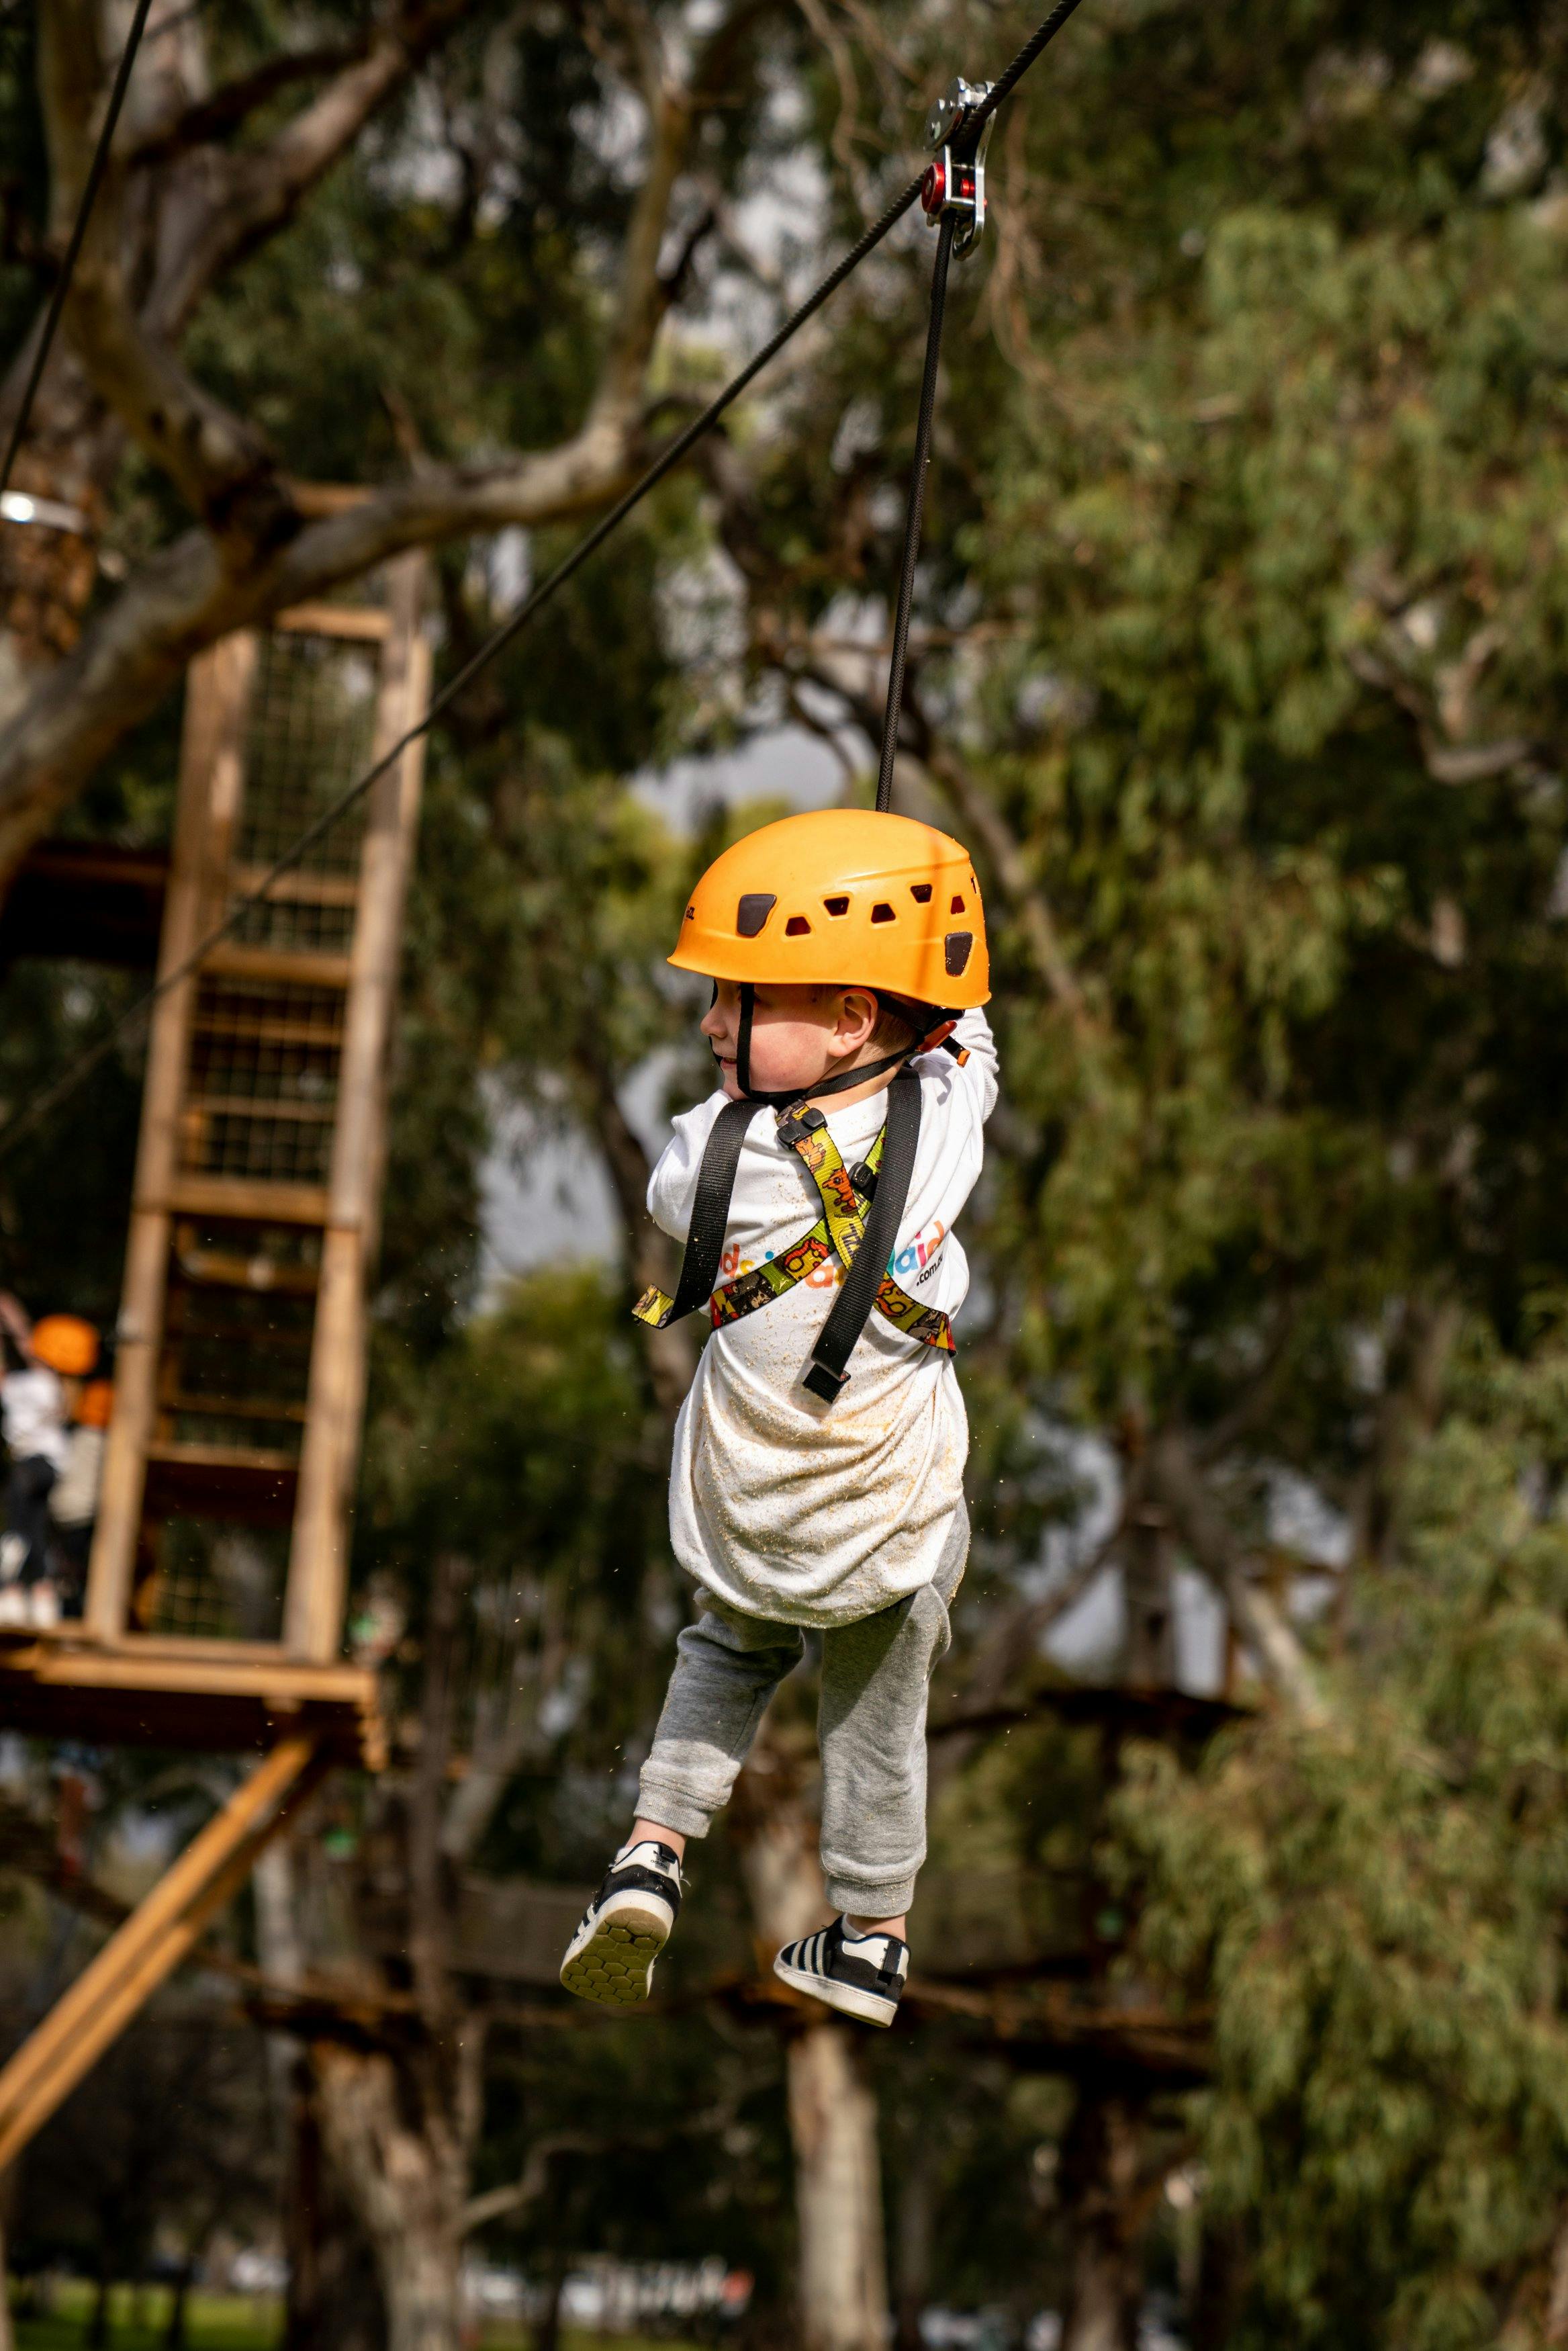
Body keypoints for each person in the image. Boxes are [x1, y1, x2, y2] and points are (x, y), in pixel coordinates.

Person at [559, 809, 997, 2028]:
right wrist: (934, 931)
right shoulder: (949, 1132)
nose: (712, 1026)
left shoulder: (708, 1154)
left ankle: (653, 1854)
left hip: (751, 1512)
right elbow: (971, 1044)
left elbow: (668, 1191)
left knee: (728, 1647)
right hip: (888, 1515)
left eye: (744, 1001)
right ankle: (872, 1935)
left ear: (853, 1016)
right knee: (883, 1685)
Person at [0, 1297, 99, 1628]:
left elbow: (10, 1370)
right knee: (36, 1530)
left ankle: (12, 1591)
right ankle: (41, 1595)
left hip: (33, 1466)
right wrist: (12, 1317)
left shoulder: (35, 1385)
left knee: (18, 1529)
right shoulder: (61, 1389)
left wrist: (12, 1326)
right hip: (51, 1469)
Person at [50, 1372, 112, 1618]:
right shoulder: (108, 1444)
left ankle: (67, 1611)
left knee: (66, 1572)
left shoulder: (74, 1435)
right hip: (83, 1515)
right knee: (80, 1574)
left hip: (61, 1512)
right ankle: (74, 1616)